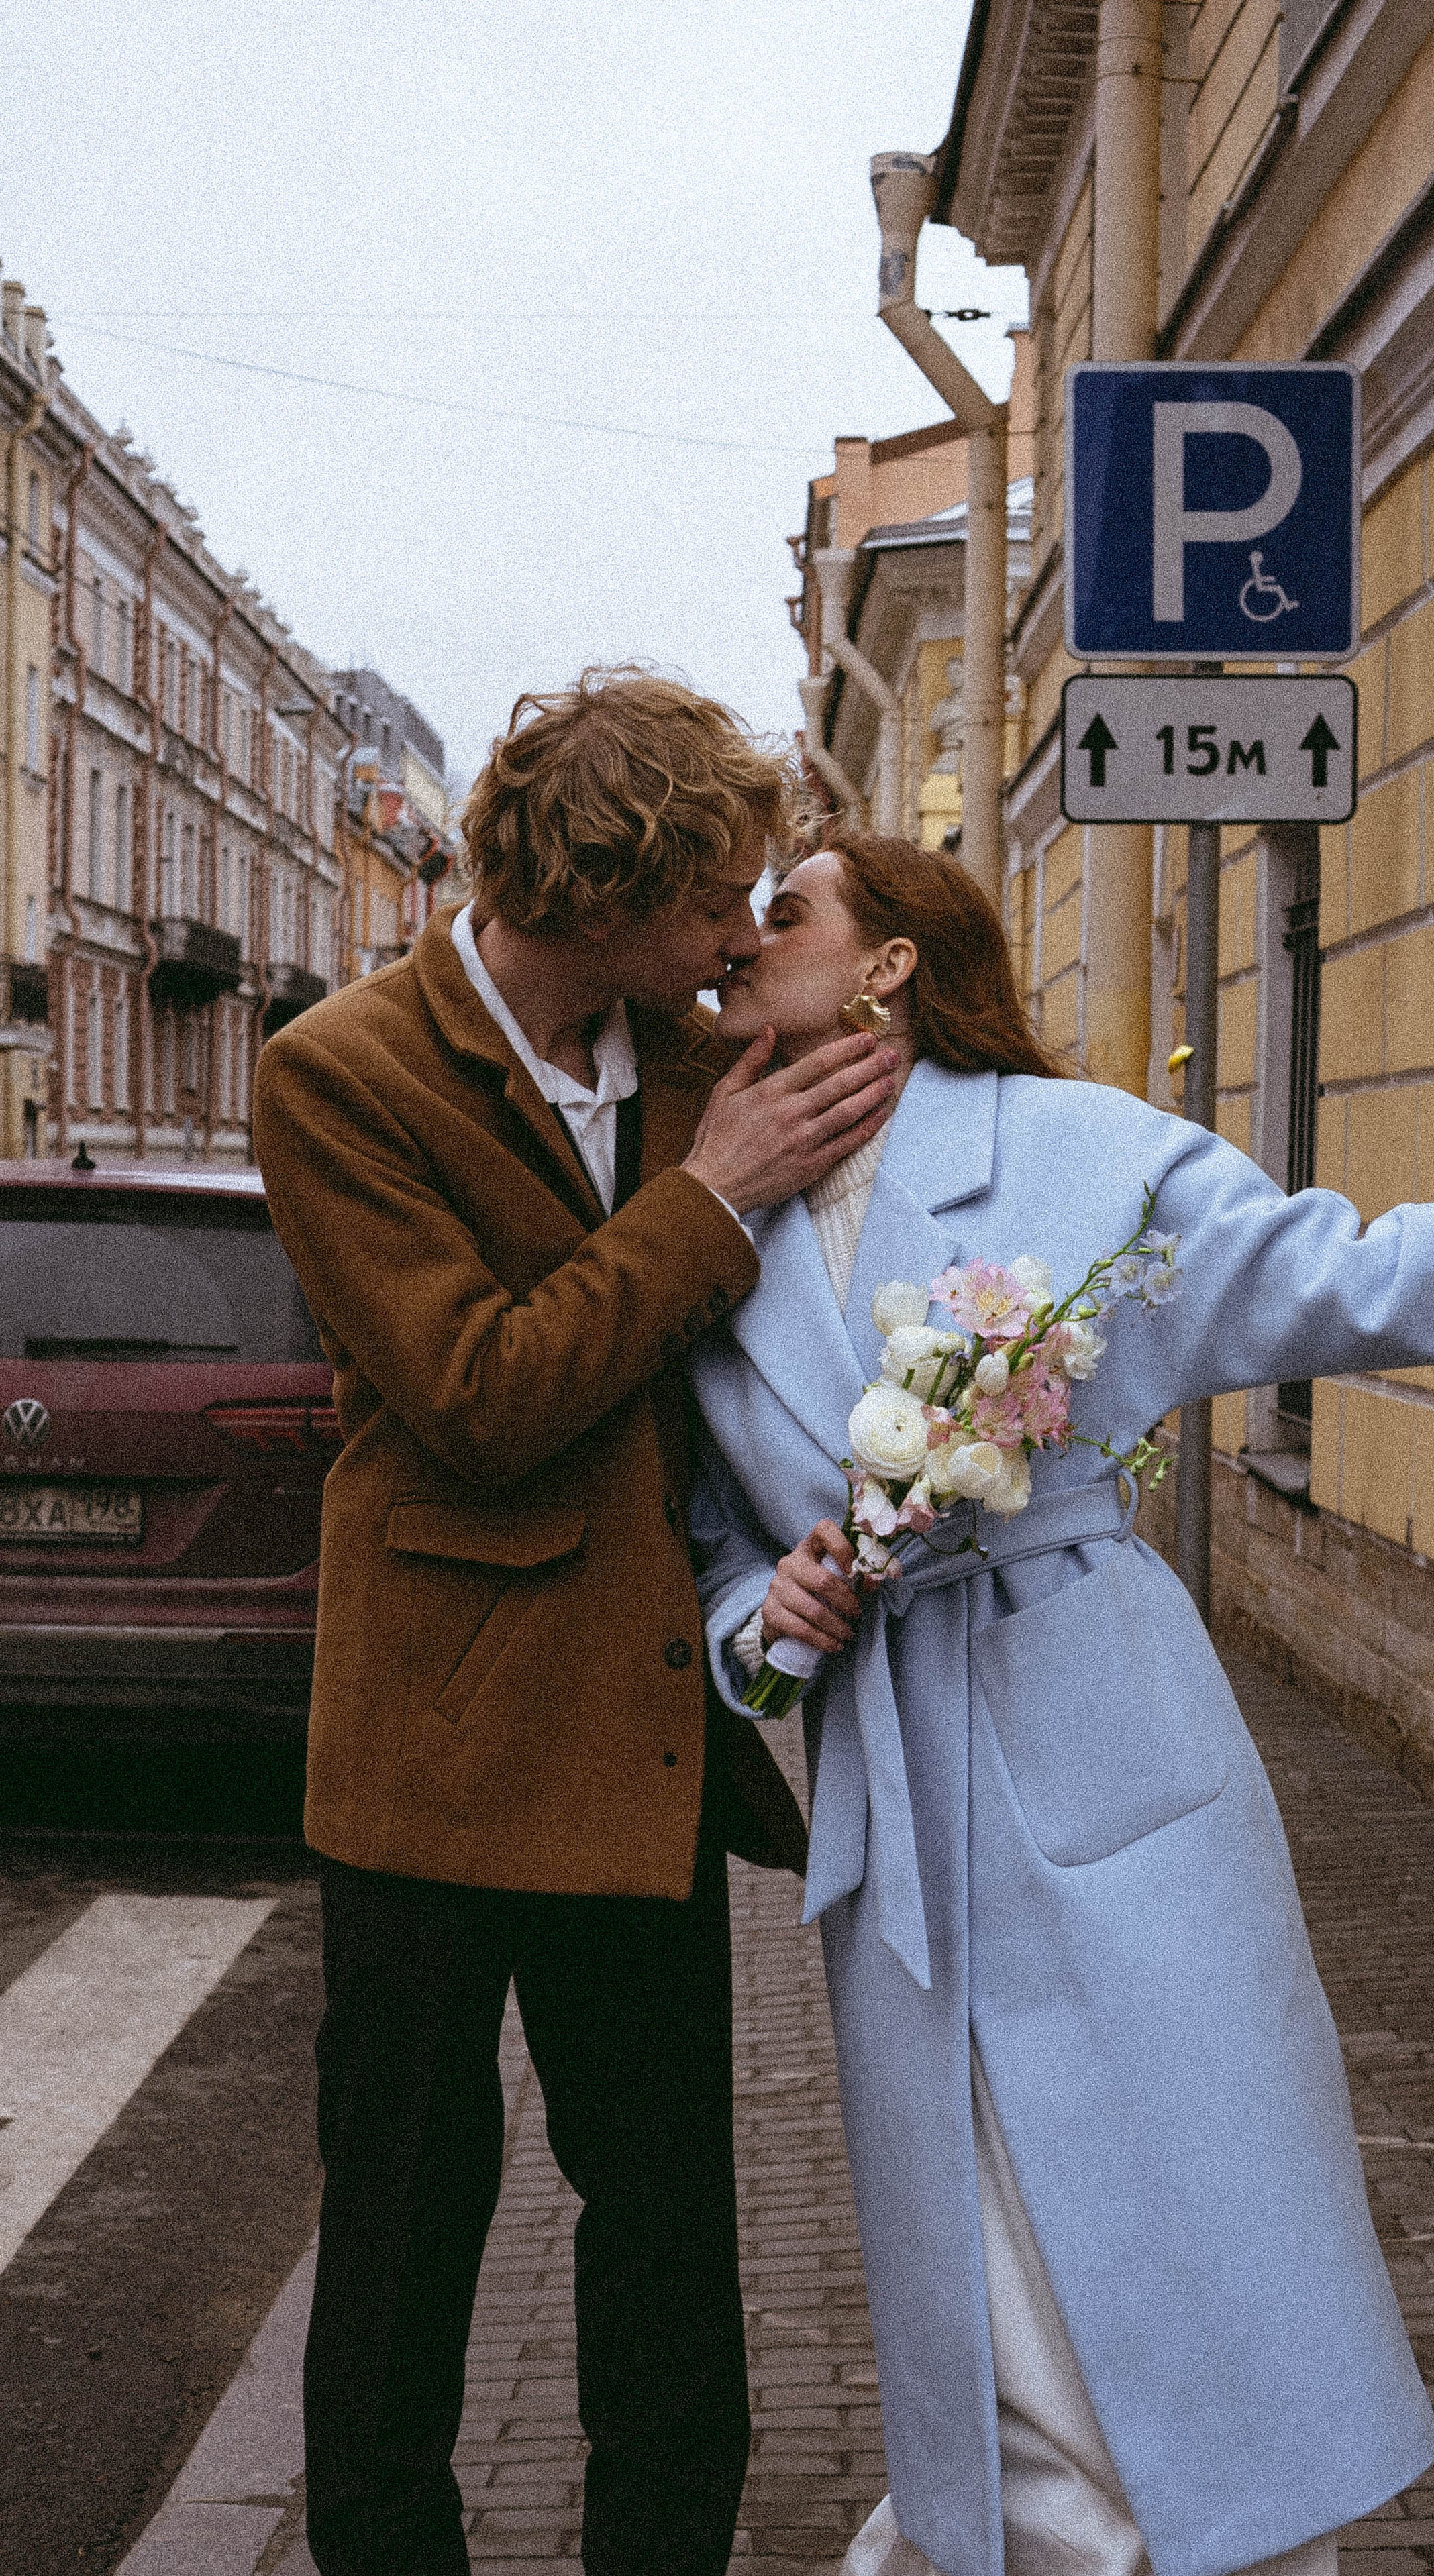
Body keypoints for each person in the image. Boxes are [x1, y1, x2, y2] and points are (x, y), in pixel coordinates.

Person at [687, 829, 1434, 2576]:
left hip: (1101, 1744)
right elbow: (708, 1570)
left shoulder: (1073, 1155)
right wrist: (783, 1613)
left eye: (791, 912)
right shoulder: (710, 1223)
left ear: (895, 960)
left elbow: (1342, 1278)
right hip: (893, 1805)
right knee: (988, 2281)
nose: (745, 943)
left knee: (1186, 2231)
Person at [251, 672, 903, 2576]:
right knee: (398, 2259)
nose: (739, 939)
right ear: (611, 893)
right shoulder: (342, 1073)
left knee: (673, 2267)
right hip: (433, 1769)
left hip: (641, 1748)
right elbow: (477, 1392)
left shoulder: (701, 1059)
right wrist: (709, 1201)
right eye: (721, 900)